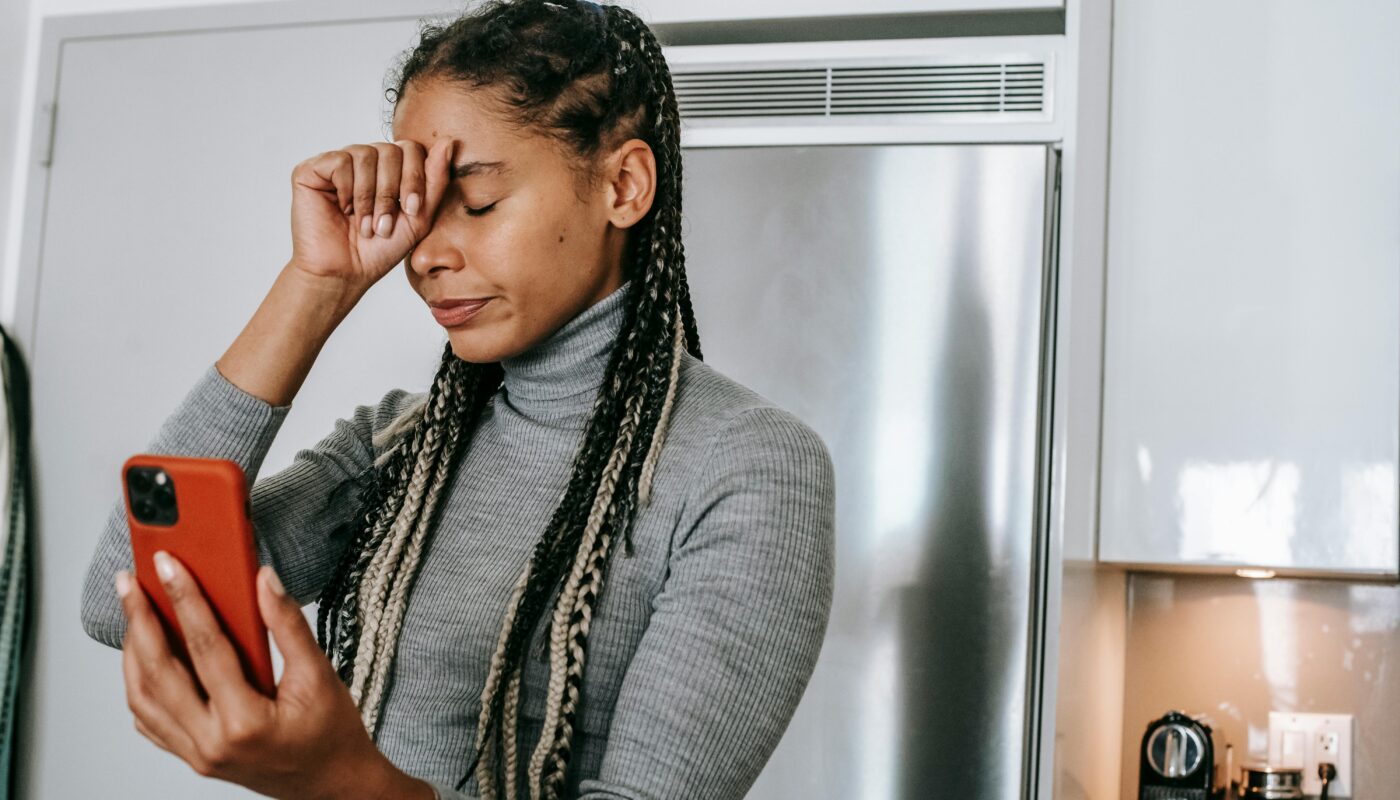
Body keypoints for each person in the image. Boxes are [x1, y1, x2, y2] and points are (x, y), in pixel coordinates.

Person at [78, 1, 836, 798]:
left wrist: (345, 784)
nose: (428, 256)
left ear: (623, 184)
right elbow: (121, 597)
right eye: (418, 214)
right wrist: (316, 284)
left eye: (476, 203)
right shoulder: (403, 442)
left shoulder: (747, 467)